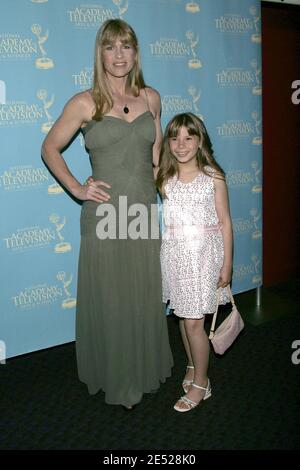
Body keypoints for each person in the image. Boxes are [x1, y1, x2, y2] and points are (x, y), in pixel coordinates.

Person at [41, 19, 173, 409]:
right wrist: (78, 189)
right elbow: (49, 147)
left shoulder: (151, 98)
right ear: (100, 53)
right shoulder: (85, 102)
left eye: (126, 46)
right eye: (111, 47)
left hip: (143, 211)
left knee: (142, 293)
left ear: (136, 52)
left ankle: (142, 368)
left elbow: (156, 160)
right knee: (113, 297)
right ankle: (117, 378)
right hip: (105, 216)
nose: (119, 55)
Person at [156, 113, 233, 412]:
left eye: (189, 137)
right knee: (182, 316)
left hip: (204, 255)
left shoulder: (213, 176)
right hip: (175, 254)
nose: (181, 144)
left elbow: (225, 221)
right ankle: (191, 365)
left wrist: (227, 265)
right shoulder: (165, 178)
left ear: (200, 140)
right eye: (174, 138)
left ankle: (202, 382)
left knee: (193, 323)